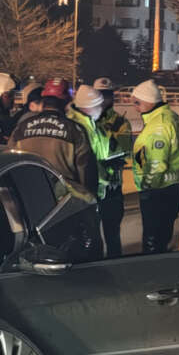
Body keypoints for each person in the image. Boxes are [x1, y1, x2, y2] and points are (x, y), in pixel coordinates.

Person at [8, 78, 96, 200]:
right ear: (66, 101)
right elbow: (86, 171)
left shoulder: (21, 128)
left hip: (28, 197)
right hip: (63, 201)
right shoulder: (75, 130)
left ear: (43, 100)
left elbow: (9, 160)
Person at [130, 80, 179, 254]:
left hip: (158, 191)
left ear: (149, 101)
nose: (135, 107)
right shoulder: (170, 118)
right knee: (162, 239)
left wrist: (146, 186)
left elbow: (156, 164)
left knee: (153, 244)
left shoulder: (159, 125)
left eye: (137, 102)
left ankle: (153, 278)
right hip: (169, 188)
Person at [67, 84, 125, 257]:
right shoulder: (77, 126)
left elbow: (100, 154)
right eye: (99, 105)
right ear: (89, 106)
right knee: (90, 242)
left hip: (98, 190)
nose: (102, 109)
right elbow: (86, 162)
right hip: (84, 194)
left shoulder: (91, 124)